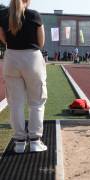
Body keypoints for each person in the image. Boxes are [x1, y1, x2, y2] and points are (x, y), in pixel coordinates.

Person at [0, 0, 48, 153]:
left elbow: (3, 39)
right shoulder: (34, 15)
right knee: (36, 102)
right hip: (31, 58)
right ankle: (35, 141)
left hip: (11, 58)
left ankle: (19, 142)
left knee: (15, 103)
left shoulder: (3, 16)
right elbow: (41, 43)